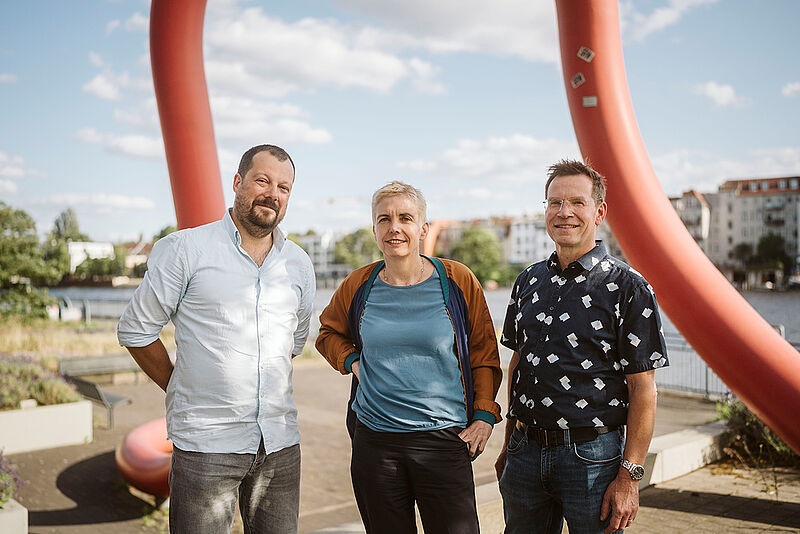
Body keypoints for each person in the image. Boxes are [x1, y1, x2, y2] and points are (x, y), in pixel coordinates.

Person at [117, 144, 316, 534]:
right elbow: (136, 330)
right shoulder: (185, 249)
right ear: (238, 182)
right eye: (262, 181)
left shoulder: (298, 264)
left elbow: (291, 344)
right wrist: (179, 385)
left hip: (279, 445)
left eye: (284, 187)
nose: (273, 194)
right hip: (206, 446)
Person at [315, 181, 503, 534]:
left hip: (444, 439)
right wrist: (354, 363)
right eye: (384, 219)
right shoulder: (359, 284)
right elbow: (328, 334)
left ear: (423, 229)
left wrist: (484, 416)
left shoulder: (457, 280)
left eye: (405, 218)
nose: (394, 228)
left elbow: (484, 353)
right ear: (374, 230)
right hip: (375, 442)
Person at [495, 159, 669, 534]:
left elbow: (643, 388)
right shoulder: (528, 281)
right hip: (524, 452)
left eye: (577, 202)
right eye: (555, 203)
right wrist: (509, 444)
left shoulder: (629, 287)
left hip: (592, 459)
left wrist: (630, 477)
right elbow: (519, 364)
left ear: (599, 212)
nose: (564, 212)